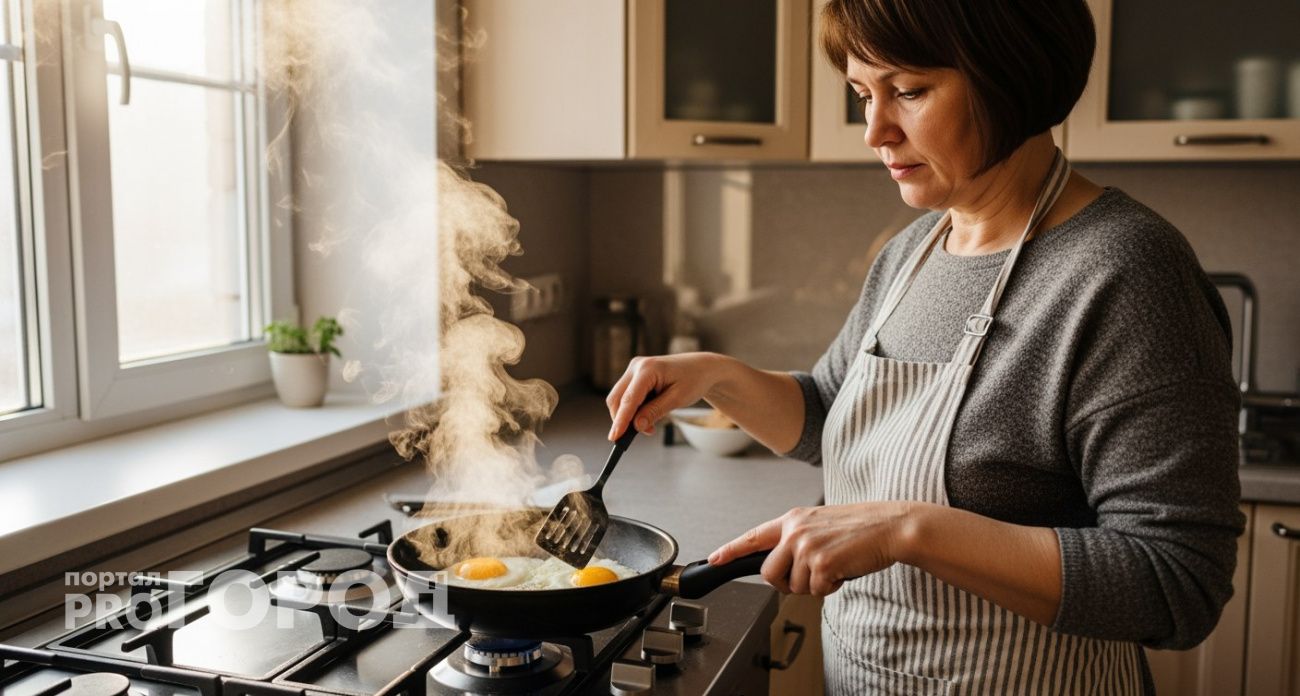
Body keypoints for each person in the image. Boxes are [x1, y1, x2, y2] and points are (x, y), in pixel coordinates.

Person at [604, 0, 1244, 693]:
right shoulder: (915, 248)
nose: (874, 130)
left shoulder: (1124, 270)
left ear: (1011, 74)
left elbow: (1177, 584)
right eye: (861, 95)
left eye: (907, 91)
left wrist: (910, 531)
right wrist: (716, 376)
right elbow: (831, 417)